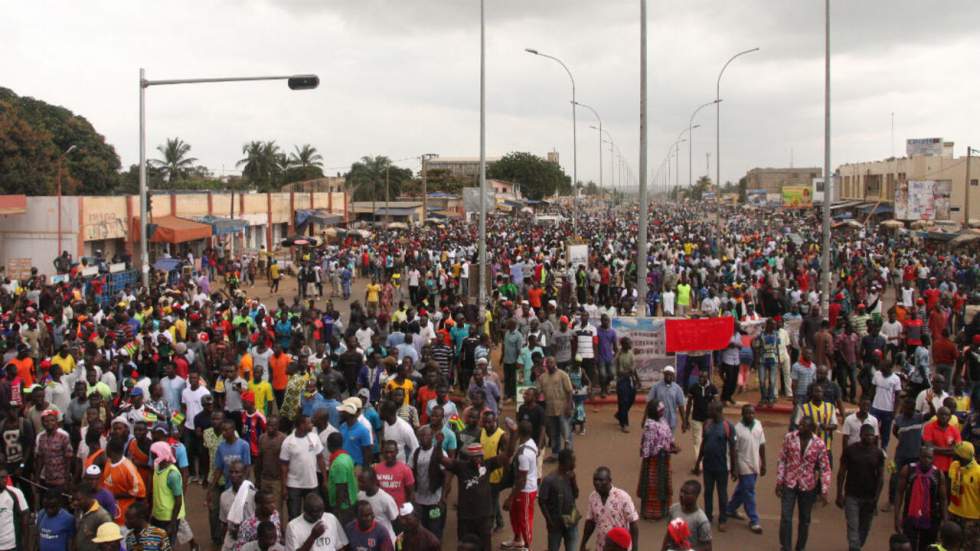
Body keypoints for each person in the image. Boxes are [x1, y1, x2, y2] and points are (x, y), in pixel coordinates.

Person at [776, 415, 831, 551]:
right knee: (786, 518)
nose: (800, 427)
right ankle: (786, 546)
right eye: (800, 424)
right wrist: (779, 481)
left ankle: (800, 548)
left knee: (805, 521)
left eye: (804, 425)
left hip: (808, 485)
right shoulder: (790, 438)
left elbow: (825, 468)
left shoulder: (819, 444)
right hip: (789, 482)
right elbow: (782, 459)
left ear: (811, 428)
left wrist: (824, 489)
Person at [836, 424, 885, 551]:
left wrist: (876, 499)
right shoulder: (850, 450)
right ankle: (854, 547)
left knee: (865, 527)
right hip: (852, 495)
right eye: (867, 435)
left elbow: (880, 477)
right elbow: (842, 472)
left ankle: (856, 545)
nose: (870, 438)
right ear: (861, 435)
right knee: (853, 526)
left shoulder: (878, 453)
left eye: (872, 435)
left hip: (869, 497)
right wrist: (839, 494)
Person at [693, 401, 737, 531]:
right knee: (708, 492)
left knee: (722, 494)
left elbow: (733, 449)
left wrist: (734, 468)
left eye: (710, 410)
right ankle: (708, 517)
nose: (708, 411)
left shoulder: (727, 426)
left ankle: (722, 519)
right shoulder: (707, 423)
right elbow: (703, 444)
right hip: (708, 466)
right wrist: (698, 463)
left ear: (717, 411)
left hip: (722, 467)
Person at [895, 445, 947, 551]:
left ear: (933, 459)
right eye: (924, 457)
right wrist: (897, 516)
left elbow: (943, 498)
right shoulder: (908, 469)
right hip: (910, 515)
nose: (926, 460)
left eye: (929, 457)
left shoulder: (938, 474)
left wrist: (944, 519)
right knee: (909, 546)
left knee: (927, 546)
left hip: (931, 517)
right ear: (919, 456)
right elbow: (899, 493)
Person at [279, 414, 329, 521]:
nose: (312, 425)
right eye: (309, 423)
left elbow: (320, 459)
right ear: (301, 425)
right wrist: (284, 487)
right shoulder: (288, 442)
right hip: (293, 485)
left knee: (313, 514)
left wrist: (325, 479)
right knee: (294, 515)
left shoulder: (314, 437)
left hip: (312, 483)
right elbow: (284, 466)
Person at [726, 404, 766, 534]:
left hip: (755, 462)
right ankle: (754, 520)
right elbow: (734, 450)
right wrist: (735, 468)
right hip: (743, 462)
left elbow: (762, 444)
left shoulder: (758, 425)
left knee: (743, 488)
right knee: (749, 490)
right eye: (748, 413)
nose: (751, 415)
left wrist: (763, 462)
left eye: (753, 413)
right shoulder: (737, 428)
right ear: (742, 414)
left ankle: (730, 509)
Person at [579, 467, 639, 551]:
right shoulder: (593, 497)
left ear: (610, 480)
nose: (597, 483)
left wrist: (635, 548)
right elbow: (590, 522)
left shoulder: (622, 497)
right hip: (601, 546)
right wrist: (583, 543)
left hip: (619, 547)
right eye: (595, 480)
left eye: (601, 480)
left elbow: (633, 523)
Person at [501, 420, 539, 550]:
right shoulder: (530, 443)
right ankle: (517, 540)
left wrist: (510, 498)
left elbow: (522, 480)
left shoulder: (524, 454)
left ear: (519, 433)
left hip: (525, 490)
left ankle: (527, 546)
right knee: (515, 515)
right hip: (521, 488)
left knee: (525, 519)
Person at [638, 399, 677, 520]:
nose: (662, 412)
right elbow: (647, 446)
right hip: (654, 461)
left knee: (663, 484)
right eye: (660, 410)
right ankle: (652, 513)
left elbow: (669, 436)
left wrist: (672, 446)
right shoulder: (650, 426)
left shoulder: (663, 421)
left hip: (664, 458)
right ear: (654, 412)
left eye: (662, 410)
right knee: (653, 486)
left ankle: (664, 510)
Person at [539, 448, 580, 551]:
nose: (574, 463)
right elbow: (542, 501)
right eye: (572, 460)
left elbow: (576, 495)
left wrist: (573, 480)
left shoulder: (570, 475)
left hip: (571, 520)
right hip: (555, 523)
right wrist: (549, 521)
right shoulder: (549, 480)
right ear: (565, 462)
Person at [537, 356, 574, 459]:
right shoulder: (542, 377)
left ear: (555, 363)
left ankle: (569, 455)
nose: (550, 364)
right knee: (554, 433)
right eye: (548, 363)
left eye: (552, 362)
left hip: (563, 408)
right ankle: (555, 454)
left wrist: (569, 406)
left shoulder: (563, 375)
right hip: (550, 409)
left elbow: (569, 391)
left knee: (566, 433)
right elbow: (538, 391)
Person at [284, 493, 348, 551]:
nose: (320, 515)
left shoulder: (331, 518)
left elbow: (340, 546)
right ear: (305, 511)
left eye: (322, 510)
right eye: (316, 512)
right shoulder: (293, 526)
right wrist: (312, 537)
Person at [947, 441, 980, 551]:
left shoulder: (978, 473)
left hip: (971, 519)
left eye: (956, 453)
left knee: (969, 547)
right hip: (953, 514)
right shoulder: (954, 466)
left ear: (963, 457)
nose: (953, 455)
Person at [662, 480, 711, 551]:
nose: (682, 495)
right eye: (681, 491)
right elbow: (669, 534)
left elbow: (708, 547)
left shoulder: (701, 520)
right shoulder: (674, 509)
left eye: (686, 493)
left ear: (696, 496)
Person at [357, 468, 399, 545]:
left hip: (385, 540)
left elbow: (395, 521)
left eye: (362, 482)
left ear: (373, 481)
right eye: (359, 481)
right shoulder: (360, 495)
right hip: (370, 541)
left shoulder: (386, 499)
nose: (359, 484)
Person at [686, 370, 718, 463]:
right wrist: (686, 419)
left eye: (703, 377)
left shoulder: (712, 388)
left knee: (709, 440)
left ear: (707, 378)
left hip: (709, 420)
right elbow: (689, 404)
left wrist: (716, 418)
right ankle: (699, 463)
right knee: (697, 441)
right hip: (696, 418)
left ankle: (708, 459)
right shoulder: (693, 388)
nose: (700, 379)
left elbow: (716, 404)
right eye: (699, 377)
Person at [645, 366, 687, 434]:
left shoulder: (677, 389)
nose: (668, 376)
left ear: (673, 375)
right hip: (658, 419)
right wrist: (644, 419)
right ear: (664, 374)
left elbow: (681, 406)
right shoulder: (656, 387)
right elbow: (649, 402)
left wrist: (684, 422)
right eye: (666, 374)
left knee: (670, 440)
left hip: (671, 420)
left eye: (670, 374)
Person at [871, 361, 903, 449]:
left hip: (888, 410)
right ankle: (874, 447)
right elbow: (872, 389)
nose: (881, 370)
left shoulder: (896, 379)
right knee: (873, 429)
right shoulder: (877, 374)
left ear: (890, 368)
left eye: (884, 368)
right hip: (875, 407)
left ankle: (883, 448)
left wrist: (895, 411)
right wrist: (871, 402)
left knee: (885, 431)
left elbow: (897, 396)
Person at [75, 481, 116, 551]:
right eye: (74, 499)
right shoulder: (78, 510)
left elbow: (110, 542)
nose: (75, 502)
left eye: (78, 500)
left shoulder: (102, 516)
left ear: (89, 497)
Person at [614, 337, 639, 432]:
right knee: (623, 401)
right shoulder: (619, 356)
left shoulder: (630, 353)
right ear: (623, 344)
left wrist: (637, 379)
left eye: (630, 343)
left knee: (632, 398)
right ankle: (624, 424)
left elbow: (634, 368)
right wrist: (630, 372)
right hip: (621, 380)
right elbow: (620, 373)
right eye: (628, 343)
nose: (630, 345)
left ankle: (620, 414)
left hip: (630, 379)